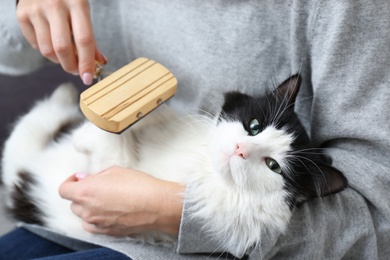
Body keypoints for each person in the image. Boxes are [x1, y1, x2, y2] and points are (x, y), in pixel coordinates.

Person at [0, 0, 389, 259]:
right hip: (70, 214)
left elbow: (377, 224)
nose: (241, 150)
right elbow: (10, 51)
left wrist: (176, 213)